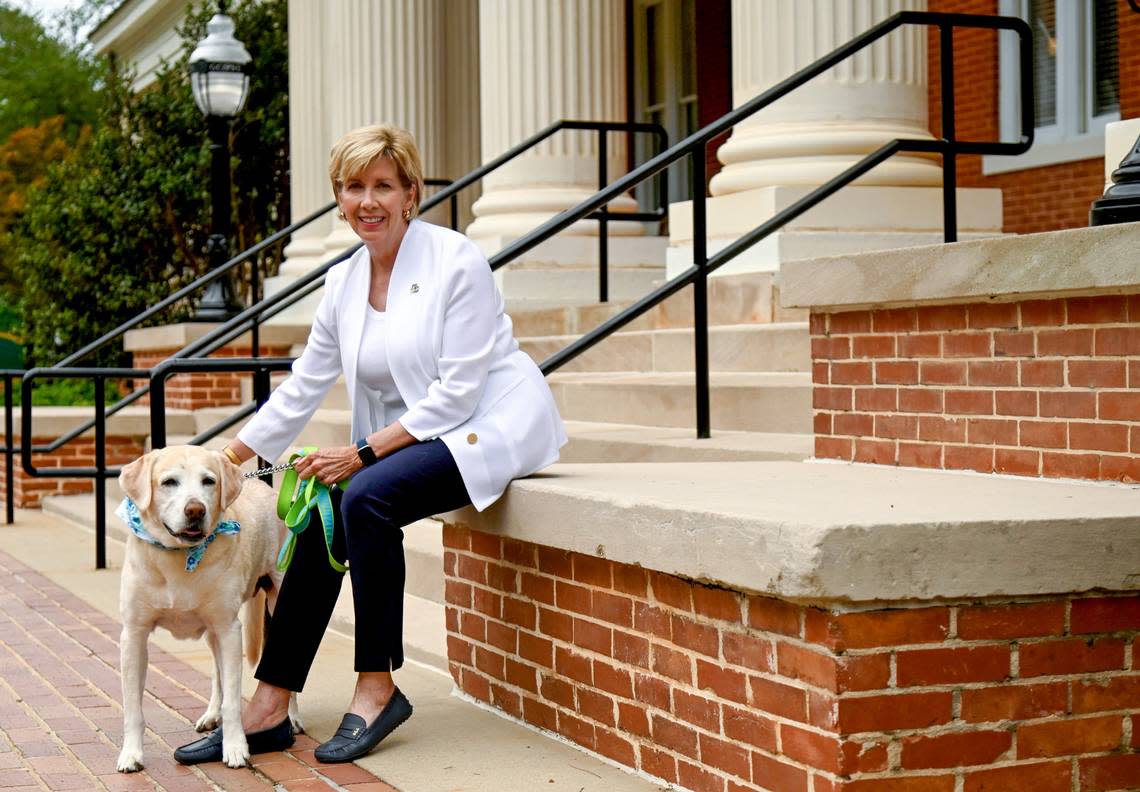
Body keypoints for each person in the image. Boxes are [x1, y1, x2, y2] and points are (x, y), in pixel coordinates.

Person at [173, 123, 566, 765]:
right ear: (339, 197)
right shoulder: (344, 281)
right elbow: (302, 389)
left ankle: (377, 687)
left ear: (411, 192)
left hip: (486, 426)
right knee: (324, 511)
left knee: (365, 497)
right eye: (354, 187)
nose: (368, 201)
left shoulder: (455, 259)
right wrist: (224, 462)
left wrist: (359, 454)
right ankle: (270, 703)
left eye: (383, 185)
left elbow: (460, 392)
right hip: (411, 435)